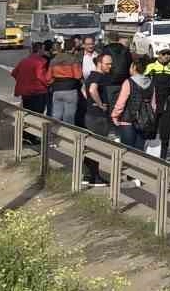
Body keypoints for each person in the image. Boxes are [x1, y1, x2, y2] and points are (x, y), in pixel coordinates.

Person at [80, 51, 119, 185]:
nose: (110, 66)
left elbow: (83, 90)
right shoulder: (99, 76)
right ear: (99, 63)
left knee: (90, 146)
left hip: (90, 115)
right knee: (97, 147)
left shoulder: (91, 75)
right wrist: (100, 104)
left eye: (111, 64)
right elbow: (92, 90)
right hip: (98, 118)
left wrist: (90, 101)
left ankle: (87, 175)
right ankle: (94, 177)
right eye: (107, 64)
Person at [144, 47, 170, 160]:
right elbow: (144, 84)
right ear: (158, 55)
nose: (166, 56)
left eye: (168, 54)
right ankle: (148, 153)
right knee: (150, 130)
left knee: (165, 131)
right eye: (163, 54)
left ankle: (163, 157)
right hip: (153, 102)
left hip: (168, 102)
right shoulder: (151, 66)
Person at [46, 40, 83, 124]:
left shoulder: (54, 60)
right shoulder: (73, 59)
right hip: (70, 90)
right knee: (69, 118)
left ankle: (54, 131)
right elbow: (78, 76)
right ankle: (67, 132)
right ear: (73, 48)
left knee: (56, 116)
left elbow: (48, 77)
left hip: (57, 91)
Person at [11, 40, 51, 117]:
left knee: (27, 112)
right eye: (43, 49)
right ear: (39, 50)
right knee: (38, 114)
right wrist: (48, 84)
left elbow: (14, 73)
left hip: (25, 92)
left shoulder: (23, 61)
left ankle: (26, 124)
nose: (44, 52)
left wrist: (23, 81)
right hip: (38, 92)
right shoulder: (41, 62)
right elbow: (40, 76)